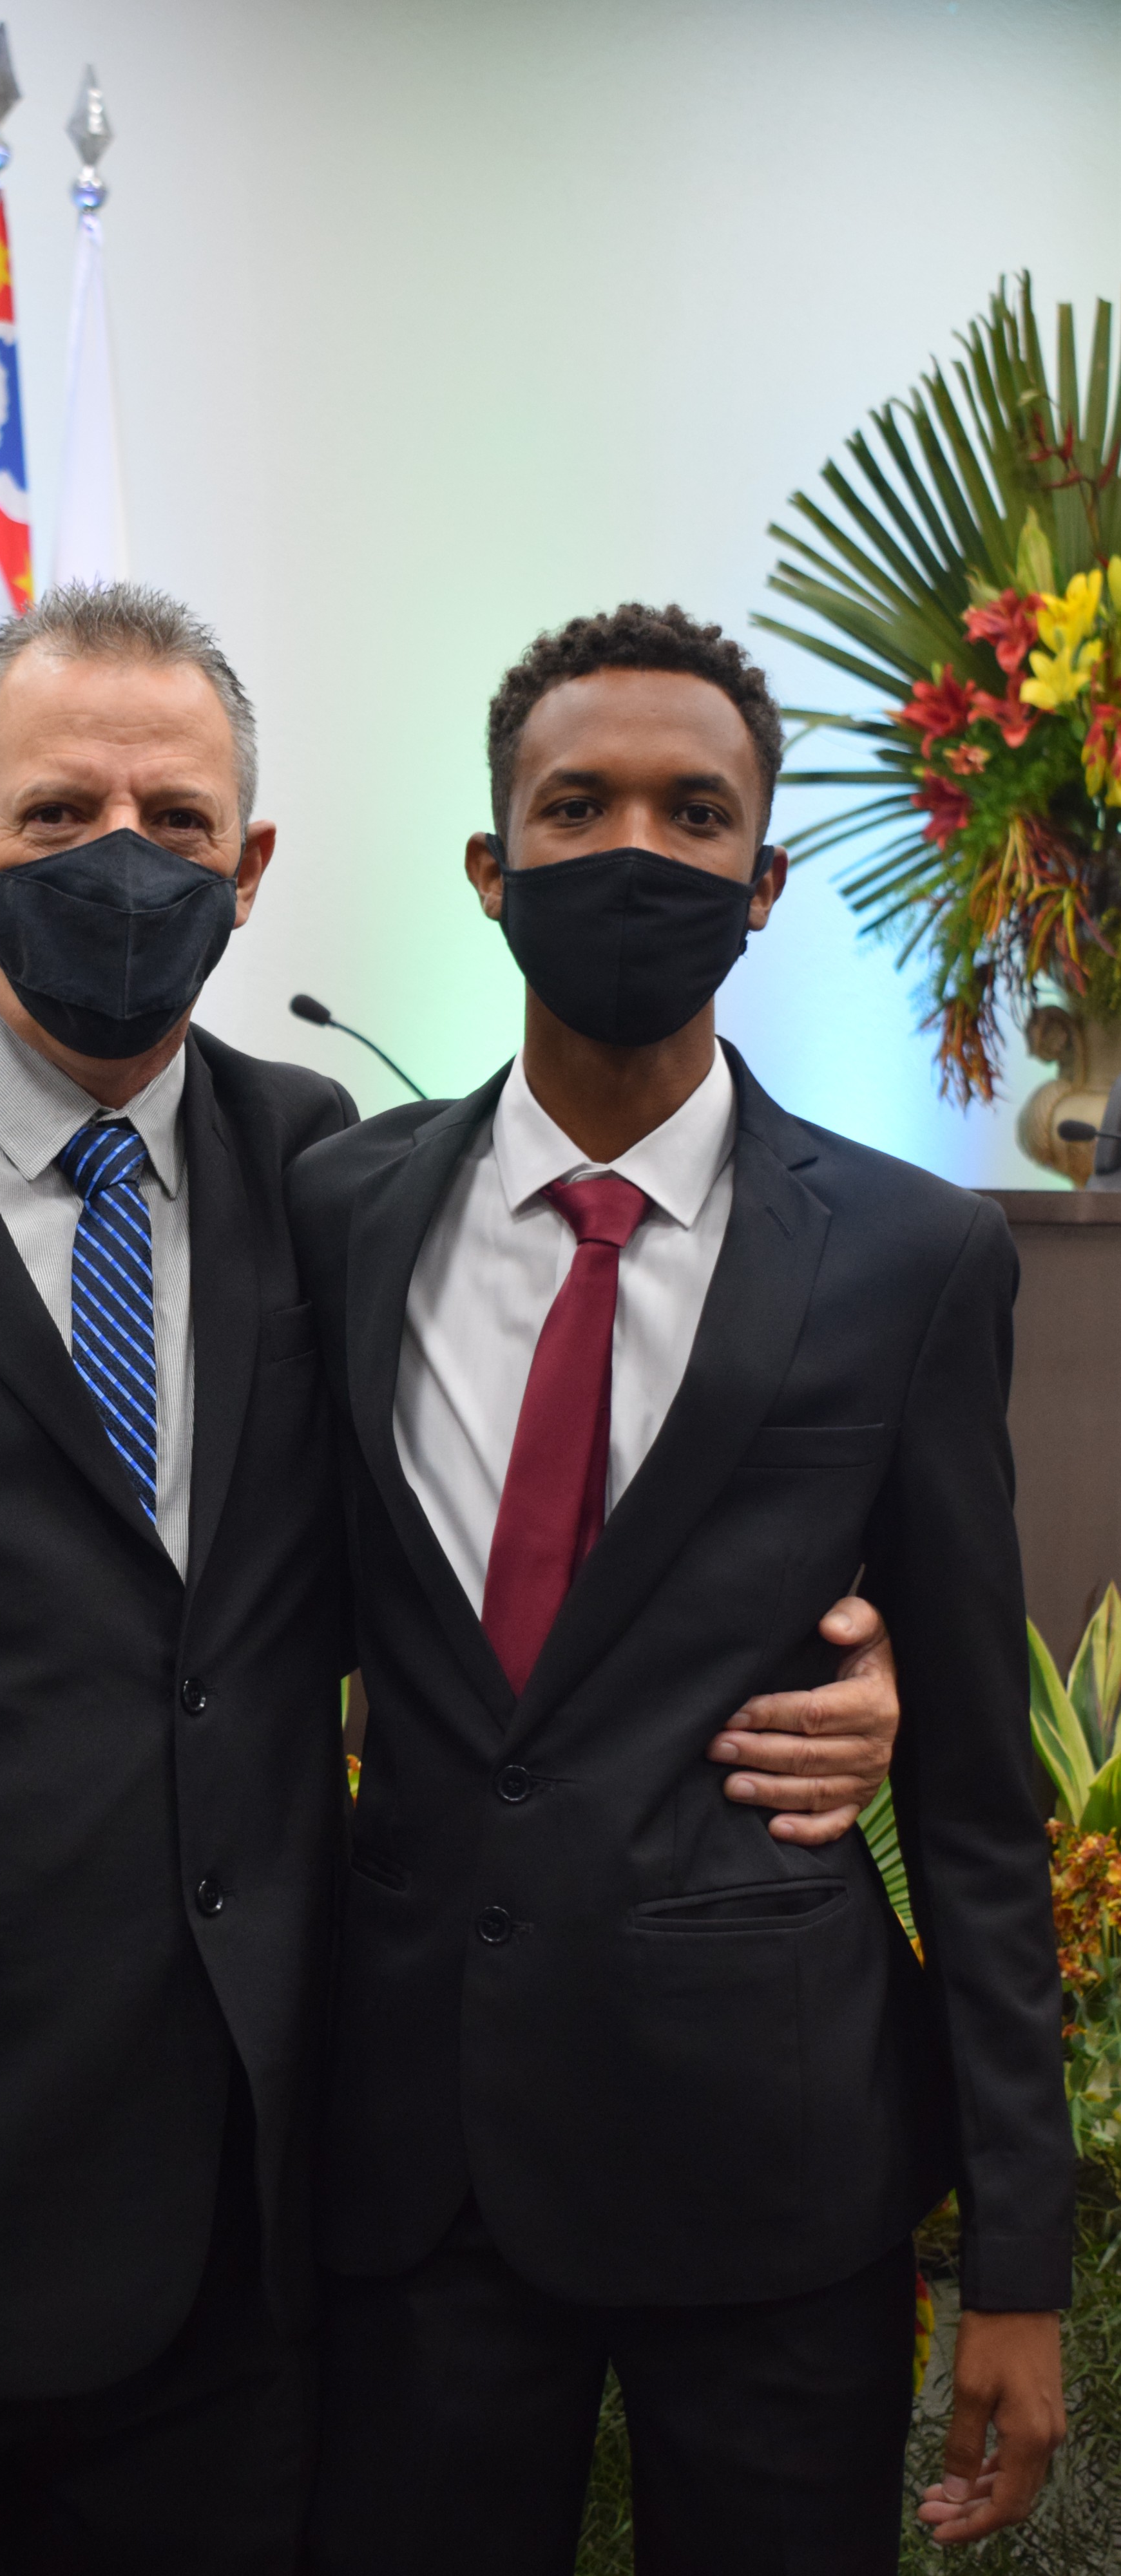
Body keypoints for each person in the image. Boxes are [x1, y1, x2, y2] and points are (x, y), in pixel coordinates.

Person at [0, 585, 899, 2576]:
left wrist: (841, 1667)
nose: (121, 857)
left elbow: (480, 1549)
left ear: (249, 867)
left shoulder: (328, 1173)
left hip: (211, 2260)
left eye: (177, 820)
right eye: (58, 814)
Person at [292, 604, 1073, 2576]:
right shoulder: (336, 1214)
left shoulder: (909, 1257)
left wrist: (1018, 2262)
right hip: (411, 2163)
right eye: (576, 806)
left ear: (762, 880)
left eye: (691, 811)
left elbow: (980, 1801)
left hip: (774, 2165)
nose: (632, 848)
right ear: (490, 868)